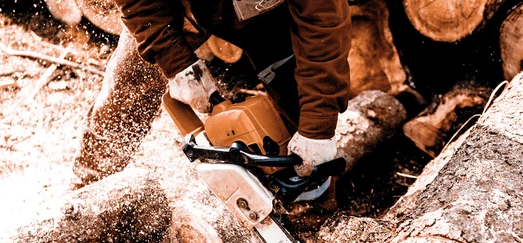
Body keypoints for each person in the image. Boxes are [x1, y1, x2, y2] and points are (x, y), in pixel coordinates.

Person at [72, 0, 351, 188]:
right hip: (185, 6)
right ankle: (92, 189)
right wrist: (174, 61)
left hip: (273, 10)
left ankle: (310, 205)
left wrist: (318, 127)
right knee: (134, 80)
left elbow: (324, 26)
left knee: (305, 132)